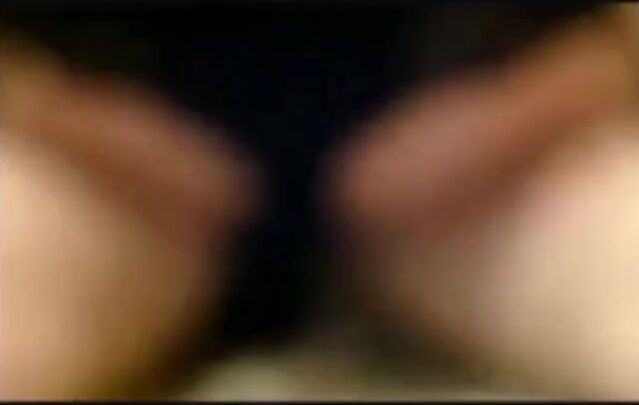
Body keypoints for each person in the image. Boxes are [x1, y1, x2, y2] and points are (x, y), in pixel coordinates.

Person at [2, 4, 638, 400]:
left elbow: (615, 46)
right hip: (97, 148)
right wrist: (57, 110)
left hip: (492, 141)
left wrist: (537, 105)